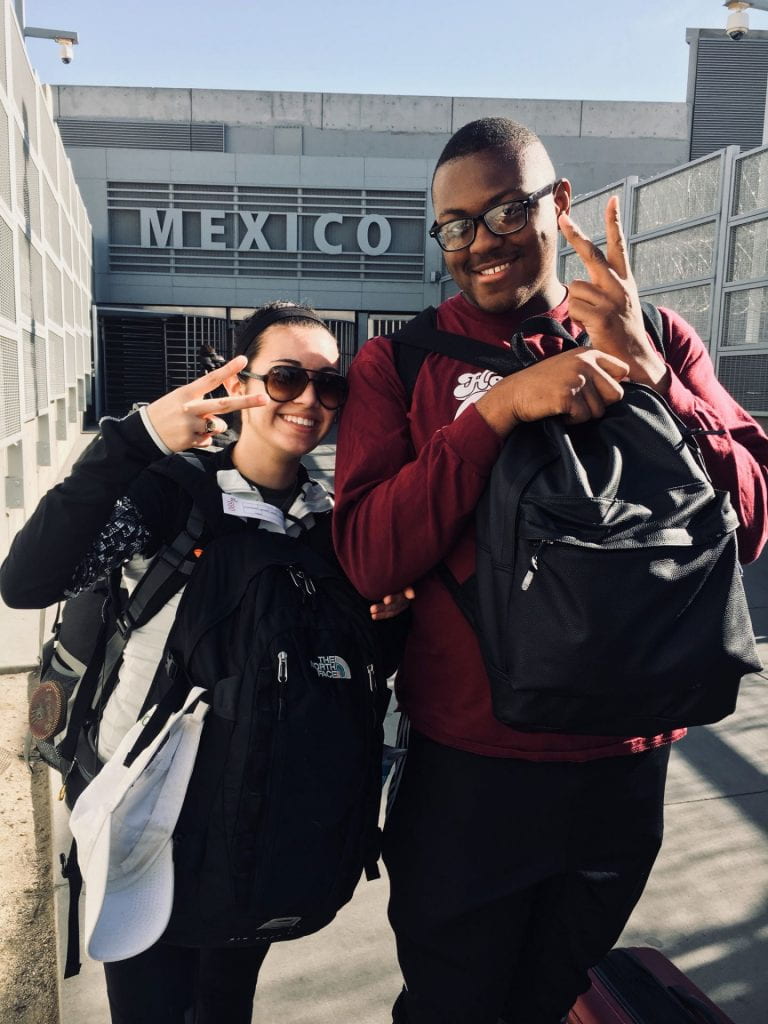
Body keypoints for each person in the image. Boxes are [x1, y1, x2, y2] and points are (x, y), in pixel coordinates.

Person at [332, 118, 768, 1024]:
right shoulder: (399, 362)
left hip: (626, 766)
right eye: (454, 226)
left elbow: (753, 522)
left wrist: (655, 376)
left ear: (557, 203)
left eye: (504, 211)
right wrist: (493, 416)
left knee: (549, 998)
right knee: (454, 1003)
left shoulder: (657, 336)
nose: (479, 243)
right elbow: (370, 552)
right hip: (471, 770)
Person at [0, 301, 409, 1024]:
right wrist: (135, 440)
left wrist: (392, 622)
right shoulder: (171, 494)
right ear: (244, 382)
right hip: (146, 838)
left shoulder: (333, 526)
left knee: (224, 1011)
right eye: (286, 378)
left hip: (254, 835)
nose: (310, 399)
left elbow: (353, 675)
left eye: (329, 384)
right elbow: (27, 580)